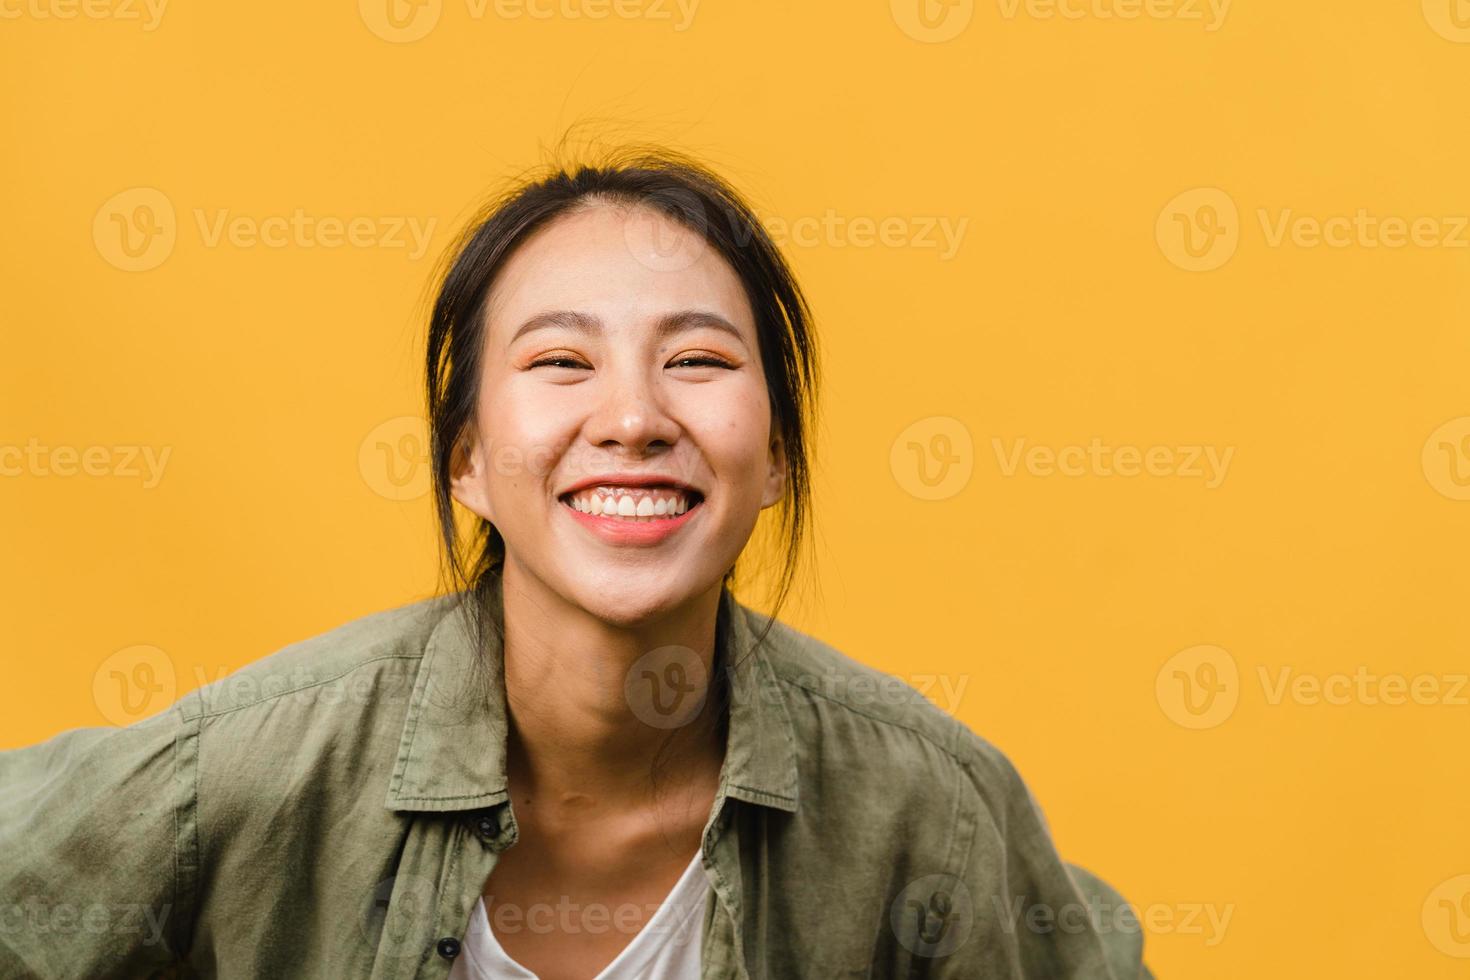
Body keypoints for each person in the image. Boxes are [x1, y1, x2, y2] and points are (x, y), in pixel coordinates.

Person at [0, 148, 1152, 979]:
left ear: (776, 462)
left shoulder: (927, 804)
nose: (634, 417)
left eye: (697, 358)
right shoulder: (258, 766)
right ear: (467, 460)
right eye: (561, 360)